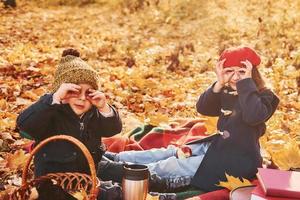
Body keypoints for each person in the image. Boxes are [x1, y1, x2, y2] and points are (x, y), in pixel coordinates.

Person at [101, 46, 280, 192]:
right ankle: (116, 158)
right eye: (230, 71)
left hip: (237, 159)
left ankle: (118, 171)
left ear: (253, 73)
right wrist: (218, 83)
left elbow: (253, 116)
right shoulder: (227, 89)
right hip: (215, 146)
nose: (235, 77)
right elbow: (204, 108)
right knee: (168, 152)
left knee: (170, 165)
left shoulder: (265, 96)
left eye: (242, 71)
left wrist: (246, 84)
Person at [16, 48, 122, 177]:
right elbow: (25, 126)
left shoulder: (92, 112)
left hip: (93, 168)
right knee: (113, 193)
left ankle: (152, 176)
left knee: (130, 172)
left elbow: (112, 129)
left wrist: (104, 108)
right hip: (59, 179)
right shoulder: (51, 113)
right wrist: (54, 99)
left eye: (88, 93)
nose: (82, 98)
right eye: (74, 91)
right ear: (61, 92)